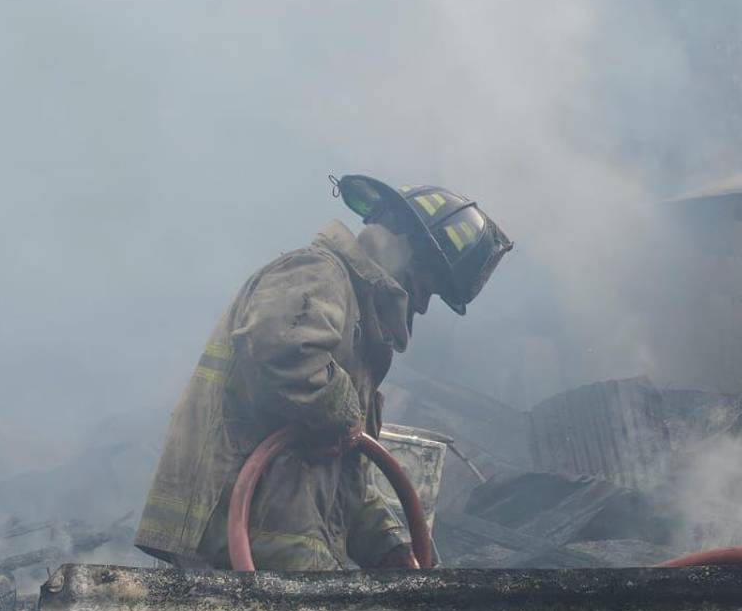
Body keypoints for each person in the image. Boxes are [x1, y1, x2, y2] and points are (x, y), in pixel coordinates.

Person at [134, 175, 513, 570]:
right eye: (431, 287)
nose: (422, 306)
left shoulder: (357, 328)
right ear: (410, 249)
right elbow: (282, 346)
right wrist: (346, 414)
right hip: (252, 539)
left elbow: (344, 471)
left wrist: (387, 546)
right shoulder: (318, 272)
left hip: (284, 545)